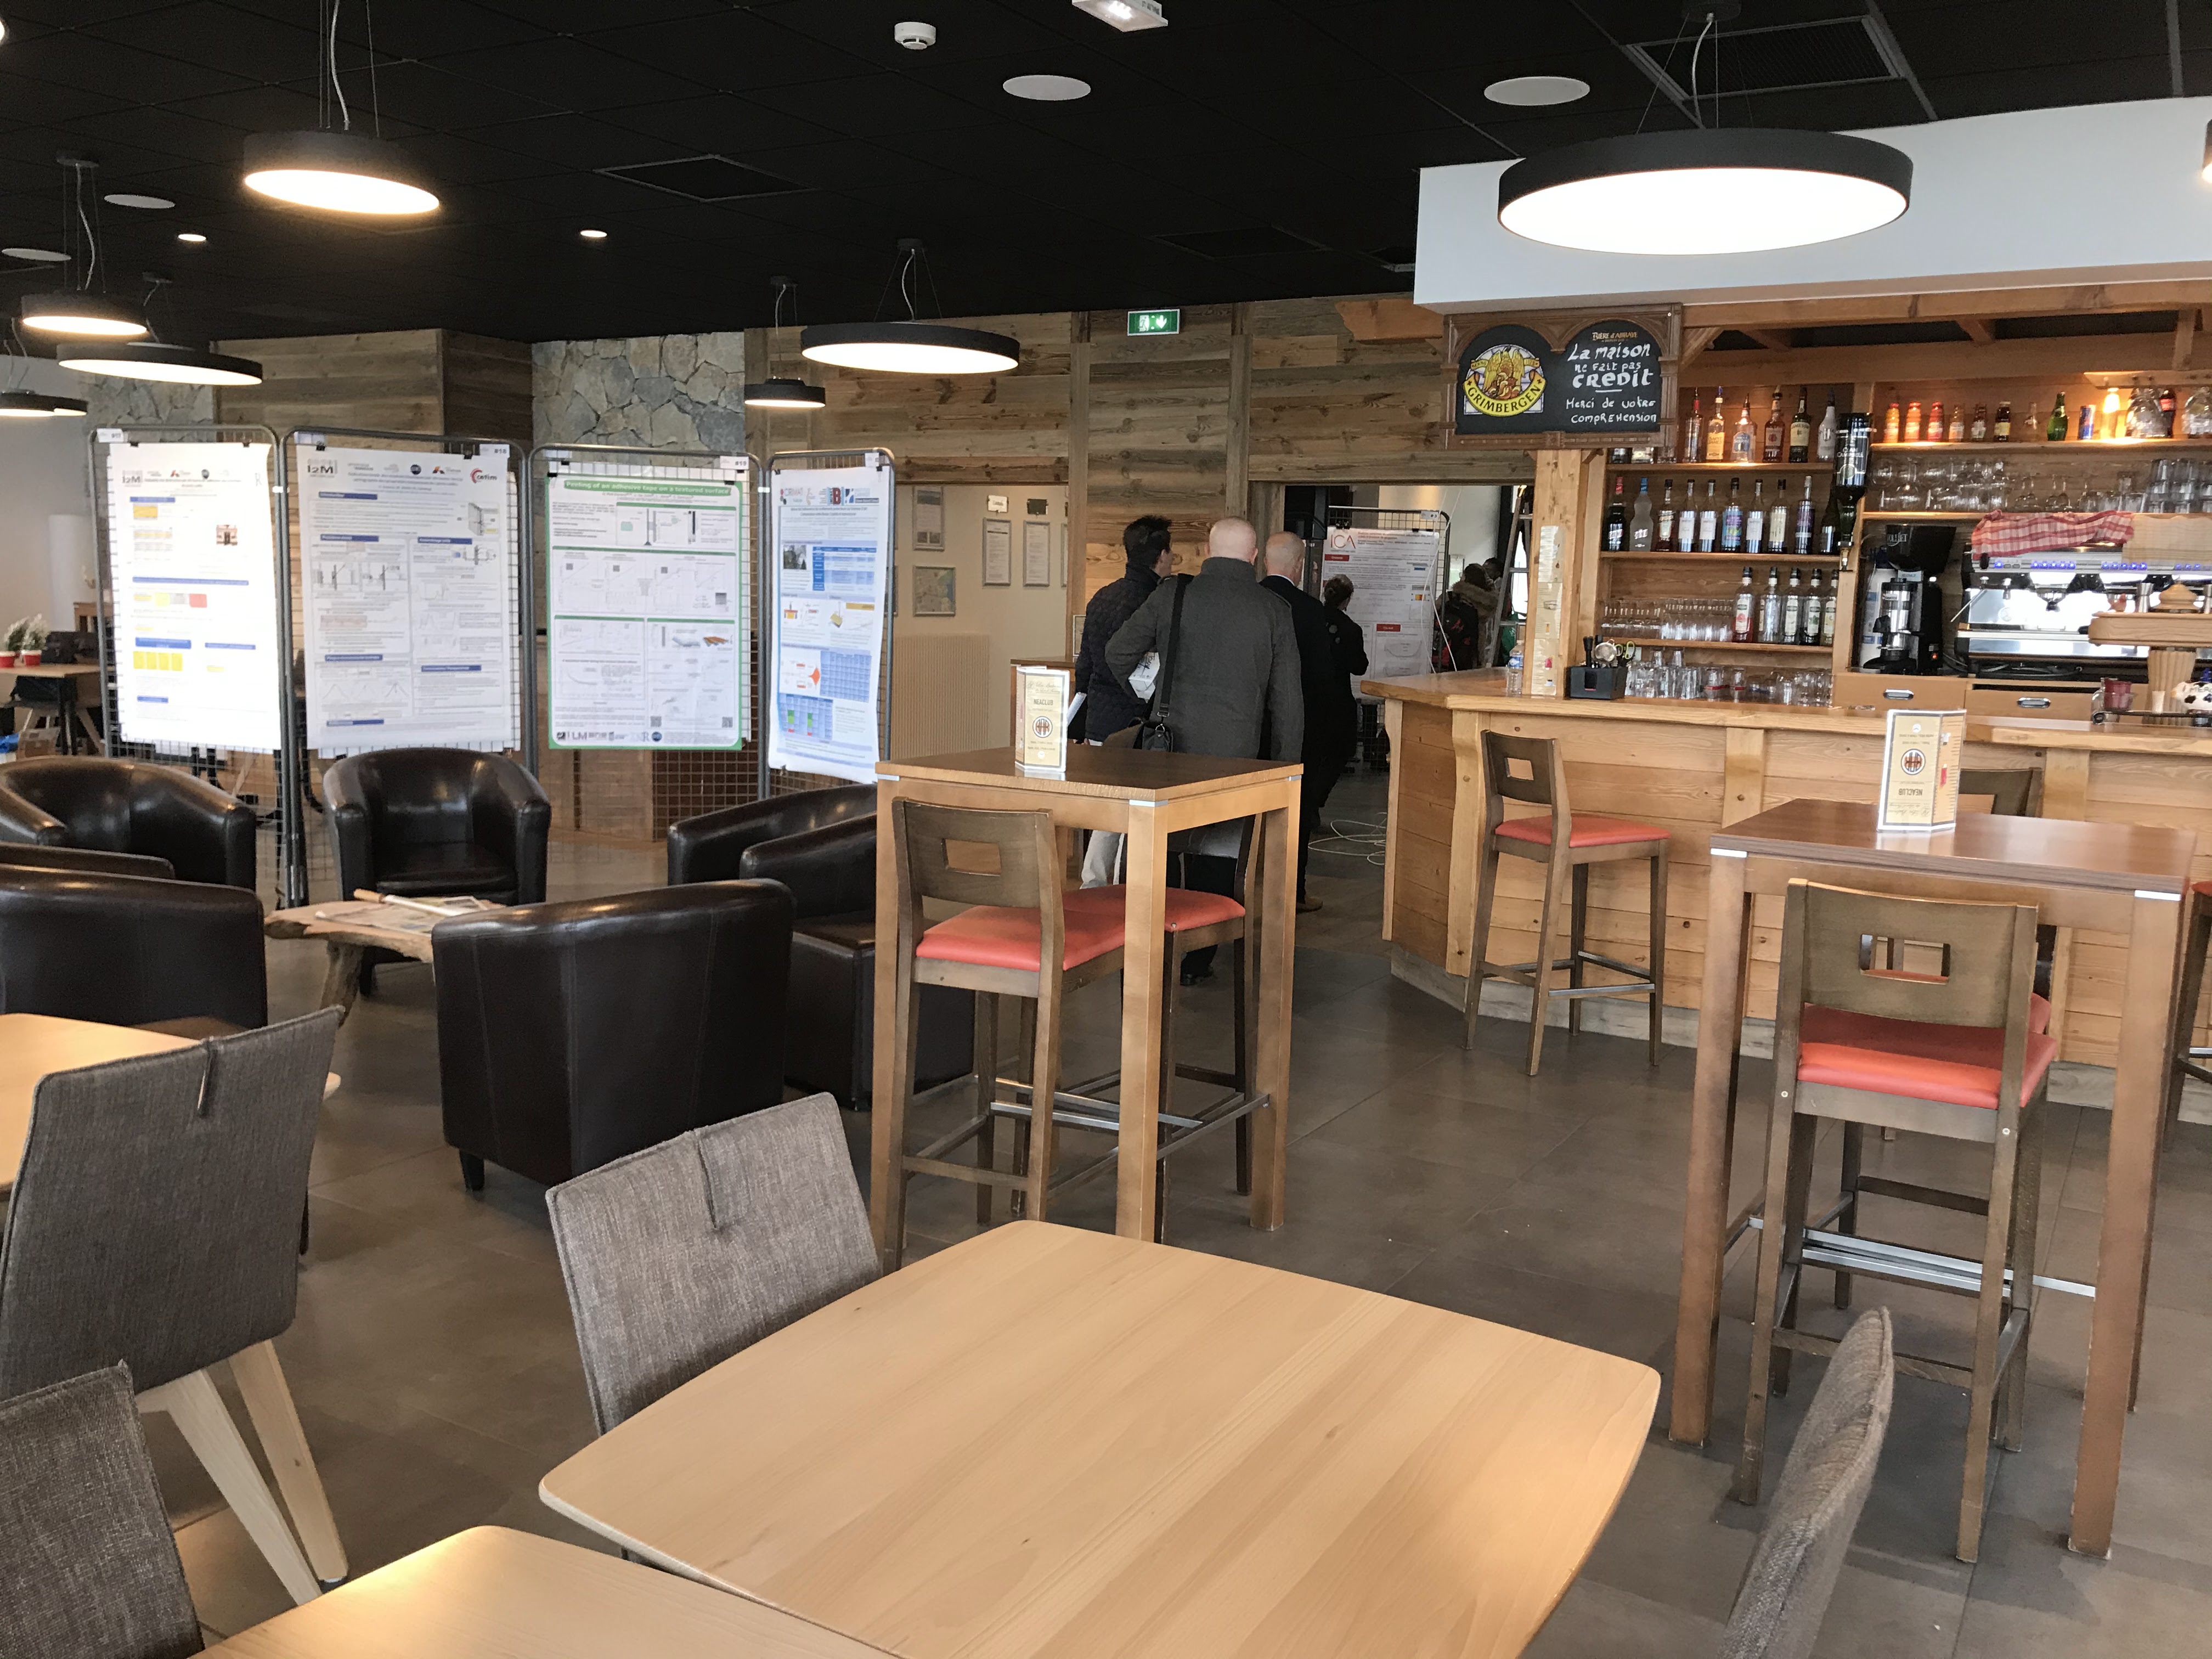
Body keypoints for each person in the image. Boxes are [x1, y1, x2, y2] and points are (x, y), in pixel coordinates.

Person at [1107, 517, 1302, 983]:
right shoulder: (1273, 609)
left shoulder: (1173, 594)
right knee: (1217, 849)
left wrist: (1150, 696)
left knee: (1162, 846)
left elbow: (1117, 652)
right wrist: (1286, 772)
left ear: (1208, 552)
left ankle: (1154, 948)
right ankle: (1198, 958)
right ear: (1254, 557)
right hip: (1234, 756)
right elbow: (1288, 703)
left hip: (1168, 749)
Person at [1259, 533, 1361, 913]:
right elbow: (1321, 679)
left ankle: (1237, 889)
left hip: (1248, 726)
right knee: (1296, 811)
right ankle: (1292, 893)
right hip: (1298, 726)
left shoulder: (1249, 602)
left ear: (1263, 560)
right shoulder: (1309, 611)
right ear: (1300, 566)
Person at [1072, 515, 1173, 885]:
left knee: (1107, 812)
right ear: (1161, 556)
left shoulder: (1102, 597)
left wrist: (1080, 723)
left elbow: (1085, 665)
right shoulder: (1158, 602)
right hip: (1135, 722)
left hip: (1100, 719)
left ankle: (1093, 883)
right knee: (1131, 812)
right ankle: (1113, 891)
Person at [1434, 558, 1498, 672]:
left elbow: (1433, 613)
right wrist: (1491, 586)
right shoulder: (1489, 603)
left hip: (1448, 653)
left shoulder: (1451, 598)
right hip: (1477, 655)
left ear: (1464, 577)